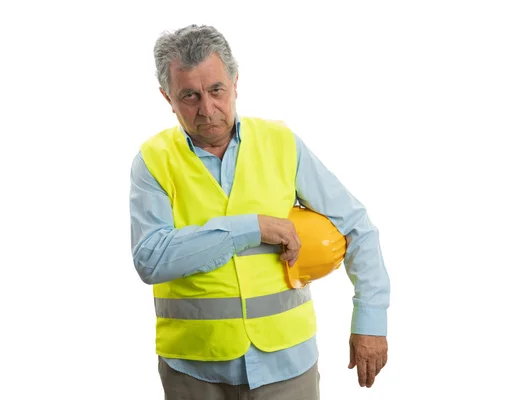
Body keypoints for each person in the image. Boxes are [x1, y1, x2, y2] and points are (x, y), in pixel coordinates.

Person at [129, 24, 390, 400]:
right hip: (193, 369)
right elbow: (150, 259)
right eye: (189, 95)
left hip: (287, 365)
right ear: (167, 98)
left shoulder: (281, 143)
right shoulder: (153, 161)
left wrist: (370, 321)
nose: (207, 109)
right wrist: (252, 229)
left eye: (216, 89)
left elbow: (358, 228)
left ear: (236, 82)